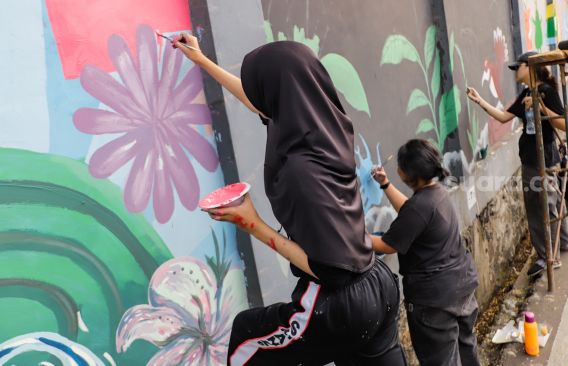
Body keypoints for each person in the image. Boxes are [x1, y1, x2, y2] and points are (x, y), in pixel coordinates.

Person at [174, 36, 406, 365]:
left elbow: (331, 272)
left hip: (339, 301)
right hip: (378, 284)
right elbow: (261, 102)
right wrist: (201, 60)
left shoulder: (301, 172)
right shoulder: (328, 125)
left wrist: (252, 224)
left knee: (246, 337)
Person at [370, 139, 480, 366]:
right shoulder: (437, 193)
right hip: (461, 288)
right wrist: (385, 184)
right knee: (466, 351)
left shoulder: (421, 206)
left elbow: (386, 245)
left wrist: (347, 235)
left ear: (406, 174)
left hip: (435, 302)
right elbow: (412, 212)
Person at [467, 51, 568, 277]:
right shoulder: (525, 92)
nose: (515, 72)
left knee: (542, 206)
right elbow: (504, 117)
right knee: (545, 203)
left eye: (518, 67)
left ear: (530, 67)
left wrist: (540, 106)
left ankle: (547, 257)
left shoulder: (546, 92)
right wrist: (480, 101)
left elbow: (563, 124)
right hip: (530, 158)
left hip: (544, 157)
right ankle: (559, 245)